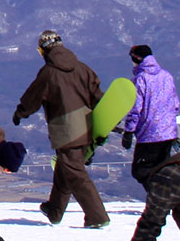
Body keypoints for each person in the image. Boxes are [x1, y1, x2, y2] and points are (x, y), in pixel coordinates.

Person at [12, 30, 109, 228]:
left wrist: (20, 113)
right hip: (87, 125)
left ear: (42, 50)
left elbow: (33, 97)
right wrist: (107, 125)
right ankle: (54, 210)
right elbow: (98, 96)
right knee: (66, 168)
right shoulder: (83, 69)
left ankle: (97, 216)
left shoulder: (49, 72)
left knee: (75, 172)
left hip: (66, 129)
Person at [118, 45, 180, 188]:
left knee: (141, 171)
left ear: (136, 59)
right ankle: (167, 200)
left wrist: (129, 131)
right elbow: (175, 104)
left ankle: (161, 200)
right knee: (162, 171)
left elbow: (136, 109)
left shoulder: (140, 79)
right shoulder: (167, 76)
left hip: (149, 134)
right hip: (168, 133)